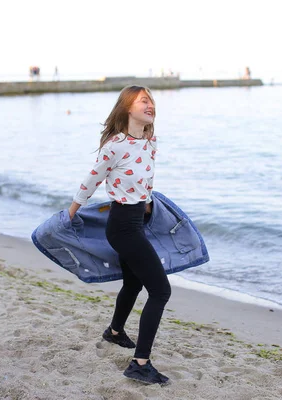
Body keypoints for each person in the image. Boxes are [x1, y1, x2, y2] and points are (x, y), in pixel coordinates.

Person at [68, 85, 170, 385]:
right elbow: (92, 180)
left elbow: (145, 183)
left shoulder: (150, 143)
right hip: (122, 227)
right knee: (161, 291)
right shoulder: (115, 145)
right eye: (143, 101)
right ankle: (140, 363)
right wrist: (70, 213)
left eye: (152, 100)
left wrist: (150, 204)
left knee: (134, 283)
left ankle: (114, 332)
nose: (150, 105)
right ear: (127, 108)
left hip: (138, 221)